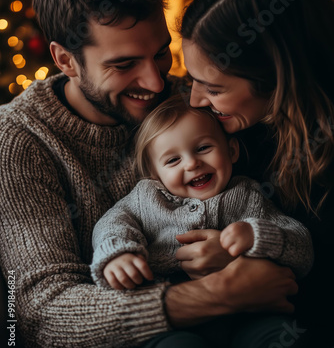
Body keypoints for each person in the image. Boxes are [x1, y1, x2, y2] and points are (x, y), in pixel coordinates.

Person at [0, 0, 298, 348]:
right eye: (124, 64)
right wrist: (217, 294)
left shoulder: (195, 102)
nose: (157, 81)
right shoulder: (20, 140)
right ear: (65, 60)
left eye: (161, 52)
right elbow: (44, 318)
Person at [179, 0, 334, 348]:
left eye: (212, 88)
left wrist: (256, 265)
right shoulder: (228, 132)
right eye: (191, 78)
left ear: (278, 78)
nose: (193, 99)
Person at [90, 94, 313, 291]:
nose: (191, 164)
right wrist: (119, 253)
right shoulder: (146, 197)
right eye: (173, 160)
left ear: (232, 150)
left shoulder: (247, 194)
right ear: (154, 174)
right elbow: (112, 223)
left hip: (242, 300)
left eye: (203, 148)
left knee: (273, 332)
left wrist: (256, 236)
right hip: (164, 296)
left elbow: (301, 248)